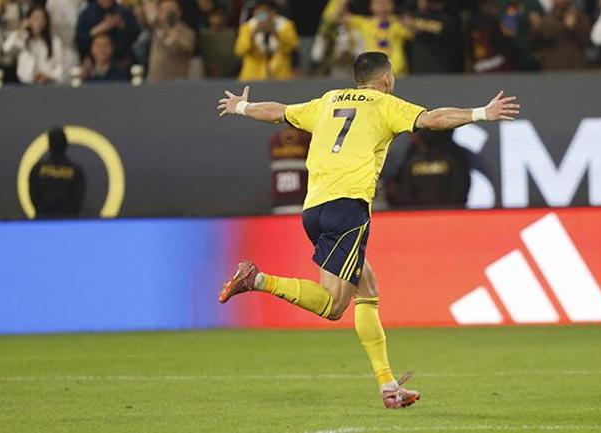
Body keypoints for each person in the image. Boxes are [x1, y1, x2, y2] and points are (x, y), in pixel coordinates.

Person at [215, 51, 520, 408]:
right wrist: (482, 113)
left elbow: (278, 112)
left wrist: (240, 107)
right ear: (386, 80)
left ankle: (388, 387)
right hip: (348, 209)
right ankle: (257, 279)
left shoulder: (328, 101)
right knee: (332, 306)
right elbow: (434, 119)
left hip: (313, 209)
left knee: (368, 290)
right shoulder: (384, 104)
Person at [389, 130, 471, 208]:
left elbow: (460, 189)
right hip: (416, 213)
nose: (411, 135)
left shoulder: (454, 155)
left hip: (448, 213)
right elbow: (403, 189)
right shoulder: (410, 154)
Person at [330, 0, 413, 77]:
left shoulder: (399, 23)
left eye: (386, 2)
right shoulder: (365, 23)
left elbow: (414, 32)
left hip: (397, 74)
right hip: (372, 75)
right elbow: (336, 18)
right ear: (371, 6)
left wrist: (410, 24)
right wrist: (344, 2)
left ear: (392, 5)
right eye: (378, 3)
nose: (382, 6)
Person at [234, 0, 299, 80]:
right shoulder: (248, 28)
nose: (263, 14)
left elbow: (292, 47)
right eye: (260, 10)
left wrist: (275, 33)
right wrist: (253, 34)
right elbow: (240, 50)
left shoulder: (285, 26)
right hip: (252, 77)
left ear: (274, 12)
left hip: (280, 76)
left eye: (267, 10)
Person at [29, 127, 85, 218]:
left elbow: (34, 195)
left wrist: (42, 213)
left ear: (49, 144)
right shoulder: (76, 171)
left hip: (43, 219)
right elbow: (78, 198)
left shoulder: (38, 169)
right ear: (66, 144)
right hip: (67, 220)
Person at [2, 6, 65, 84]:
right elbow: (6, 49)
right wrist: (21, 29)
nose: (38, 22)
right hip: (25, 84)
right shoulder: (22, 38)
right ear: (28, 20)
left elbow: (59, 67)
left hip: (48, 83)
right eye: (35, 18)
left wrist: (49, 76)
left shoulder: (54, 41)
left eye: (41, 19)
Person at [531, 0, 592, 70]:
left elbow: (586, 40)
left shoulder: (580, 18)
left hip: (575, 65)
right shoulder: (546, 20)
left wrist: (574, 27)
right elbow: (539, 40)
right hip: (552, 66)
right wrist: (536, 27)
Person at [407, 0, 463, 74]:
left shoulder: (448, 19)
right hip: (420, 71)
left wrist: (416, 24)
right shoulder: (414, 16)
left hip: (442, 71)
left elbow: (440, 27)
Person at [75, 0, 140, 63]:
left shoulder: (124, 12)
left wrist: (121, 26)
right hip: (93, 63)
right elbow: (79, 40)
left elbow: (136, 36)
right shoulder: (87, 15)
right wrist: (97, 30)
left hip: (122, 61)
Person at [146, 0, 196, 81]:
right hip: (155, 79)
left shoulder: (187, 32)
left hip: (176, 81)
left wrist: (175, 40)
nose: (167, 14)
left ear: (179, 12)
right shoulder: (157, 27)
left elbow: (187, 50)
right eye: (163, 10)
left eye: (170, 10)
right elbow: (149, 10)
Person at [199, 6, 239, 78]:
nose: (217, 18)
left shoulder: (231, 34)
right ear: (209, 17)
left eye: (219, 15)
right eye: (214, 16)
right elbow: (202, 55)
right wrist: (210, 67)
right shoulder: (203, 35)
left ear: (224, 18)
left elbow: (237, 55)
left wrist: (229, 67)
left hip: (230, 73)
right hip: (208, 74)